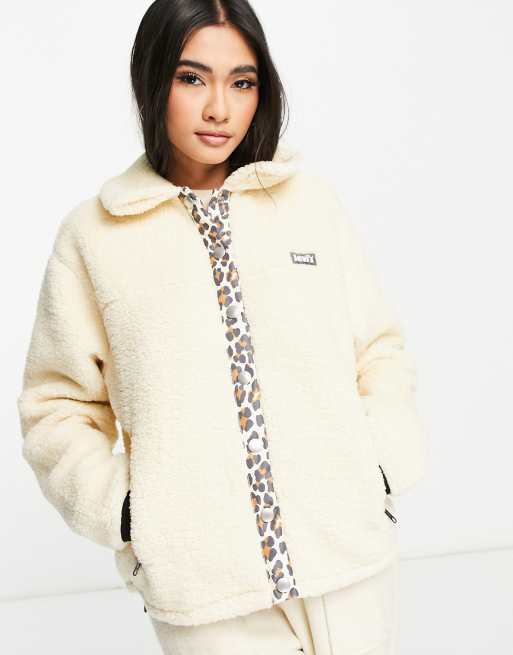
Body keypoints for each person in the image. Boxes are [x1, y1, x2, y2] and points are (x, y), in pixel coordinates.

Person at [16, 1, 427, 653]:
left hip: (348, 559)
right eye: (192, 78)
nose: (218, 108)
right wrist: (131, 514)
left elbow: (377, 351)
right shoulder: (94, 237)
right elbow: (56, 407)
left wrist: (376, 463)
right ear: (152, 80)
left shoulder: (308, 205)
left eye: (241, 82)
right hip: (204, 591)